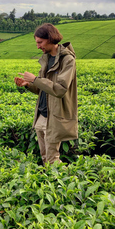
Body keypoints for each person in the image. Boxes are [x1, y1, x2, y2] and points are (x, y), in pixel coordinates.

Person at [14, 23, 78, 165]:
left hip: (54, 115)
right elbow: (43, 89)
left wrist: (35, 79)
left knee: (52, 159)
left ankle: (64, 183)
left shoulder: (67, 60)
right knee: (45, 157)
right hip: (42, 114)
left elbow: (60, 89)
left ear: (50, 38)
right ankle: (50, 182)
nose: (38, 46)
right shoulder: (47, 58)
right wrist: (29, 85)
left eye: (40, 42)